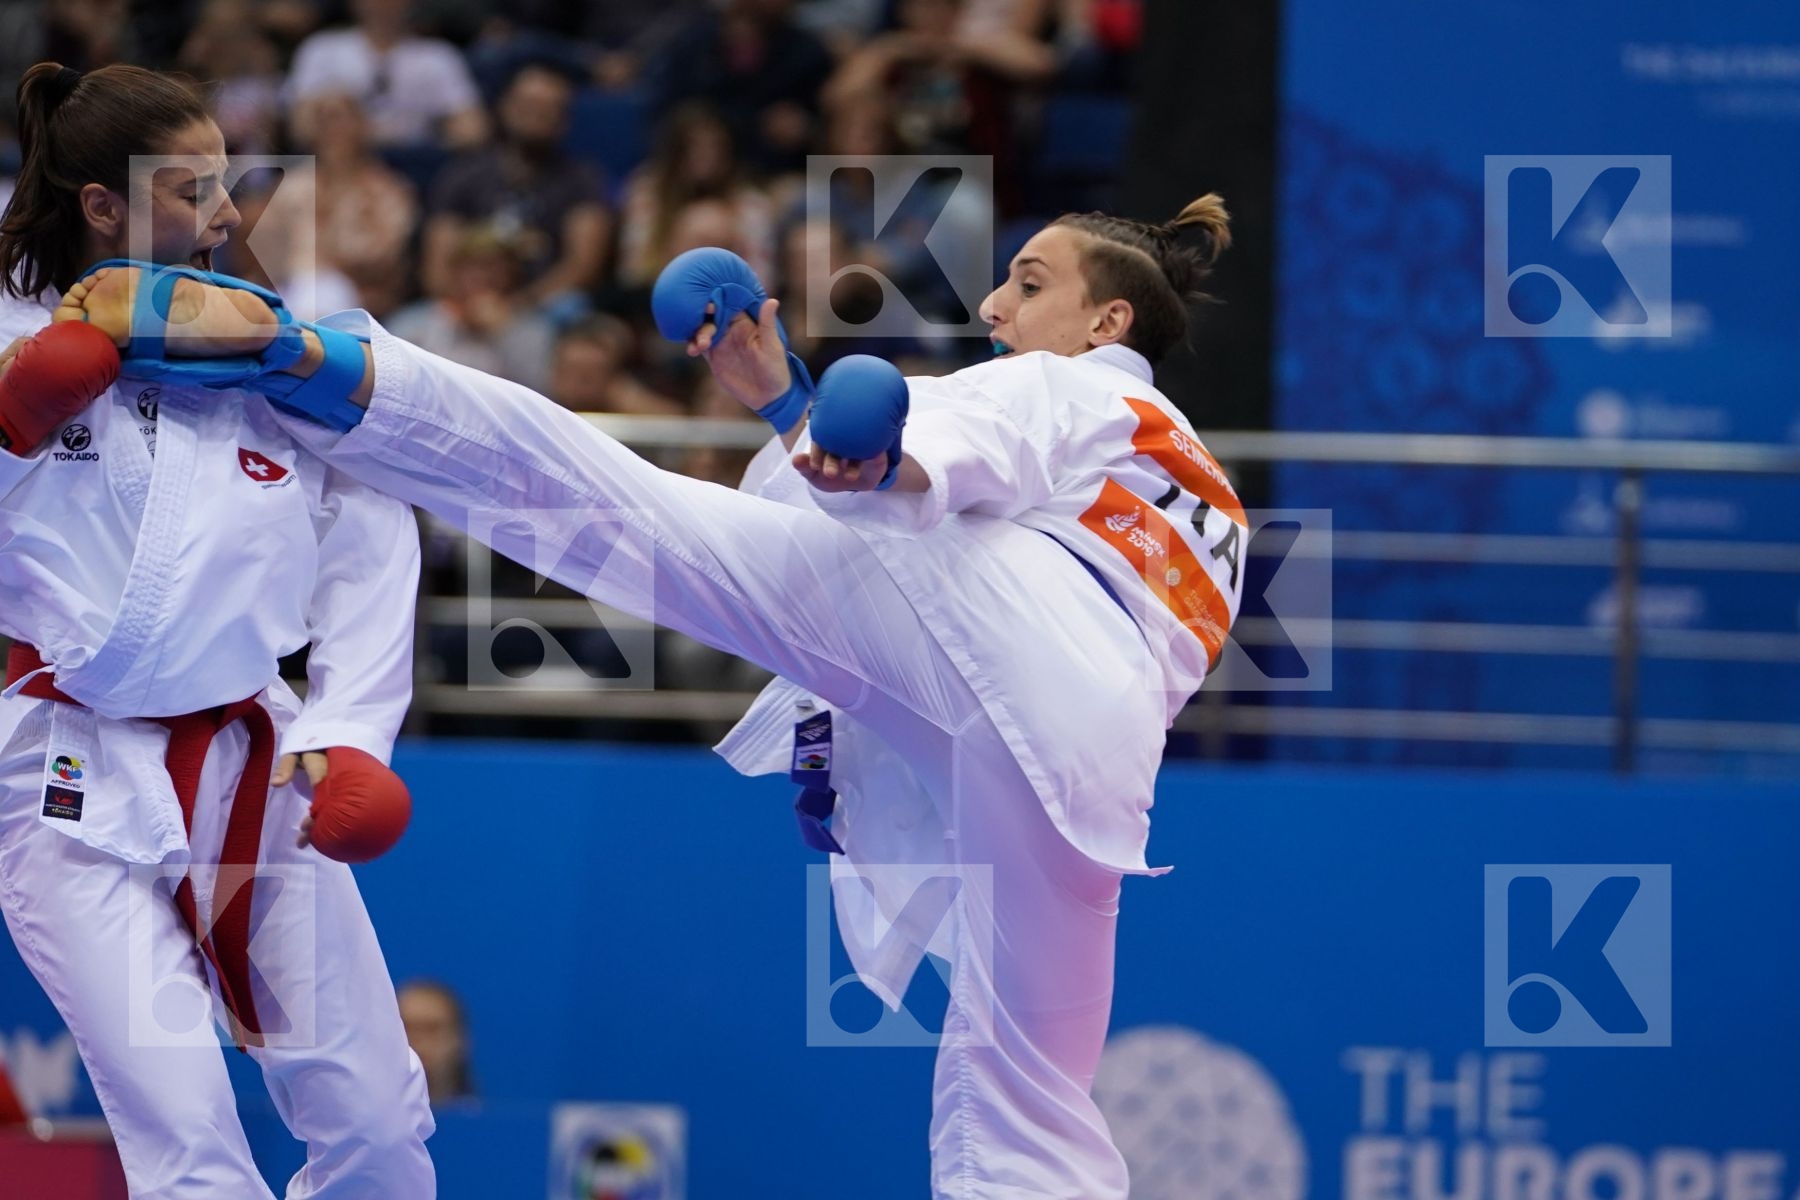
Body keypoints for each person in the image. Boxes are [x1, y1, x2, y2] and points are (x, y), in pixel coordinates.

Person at [44, 193, 1245, 1199]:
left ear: (1108, 318)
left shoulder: (1085, 389)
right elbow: (876, 547)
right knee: (1029, 1101)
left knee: (620, 508)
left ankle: (306, 357)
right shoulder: (1216, 505)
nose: (994, 307)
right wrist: (793, 411)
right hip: (1093, 786)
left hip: (1004, 648)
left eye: (1028, 285)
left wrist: (878, 448)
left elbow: (922, 462)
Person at [0, 62, 433, 1197]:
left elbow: (375, 530)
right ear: (104, 205)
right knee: (188, 1141)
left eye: (229, 181)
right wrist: (13, 423)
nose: (231, 213)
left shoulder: (275, 340)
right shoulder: (11, 335)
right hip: (63, 771)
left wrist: (355, 730)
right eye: (193, 190)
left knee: (382, 1128)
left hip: (258, 757)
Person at [422, 61, 609, 312]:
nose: (536, 116)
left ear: (565, 120)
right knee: (410, 323)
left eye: (549, 108)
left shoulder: (582, 180)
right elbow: (438, 263)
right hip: (466, 302)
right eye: (529, 105)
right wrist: (468, 309)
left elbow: (582, 266)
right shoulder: (463, 174)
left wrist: (519, 307)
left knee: (571, 308)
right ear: (504, 107)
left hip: (542, 305)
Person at [285, 0, 487, 150]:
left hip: (411, 162)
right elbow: (301, 126)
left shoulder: (436, 56)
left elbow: (473, 129)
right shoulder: (322, 49)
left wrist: (433, 138)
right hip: (339, 157)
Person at [397, 980, 476, 1106]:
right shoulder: (363, 1122)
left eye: (432, 1029)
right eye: (406, 1028)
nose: (418, 1040)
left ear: (457, 1040)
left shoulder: (483, 1121)